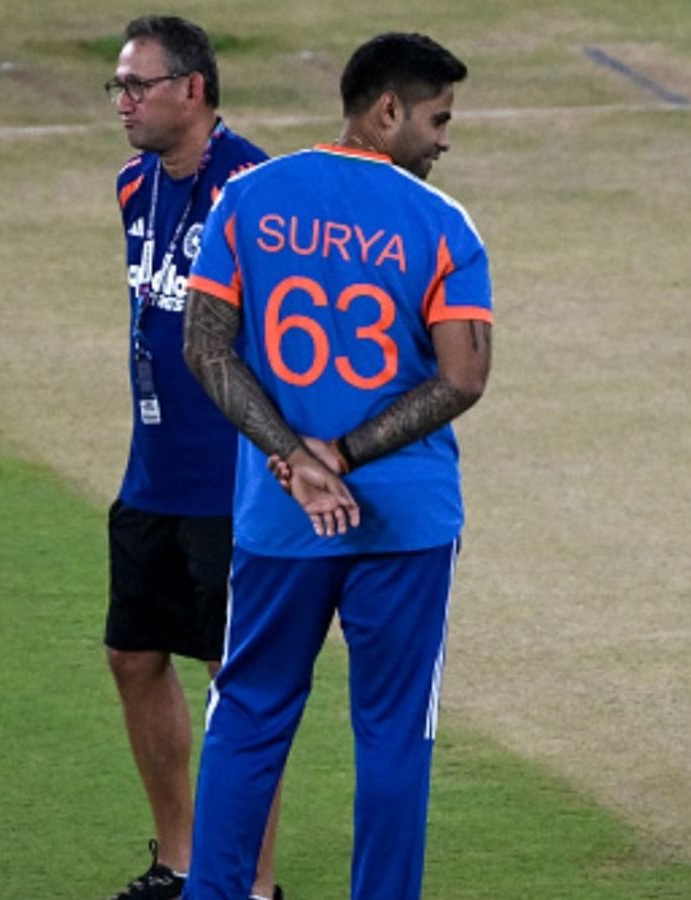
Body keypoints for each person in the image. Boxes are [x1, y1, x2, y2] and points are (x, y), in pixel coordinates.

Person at [181, 31, 493, 900]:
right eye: (437, 119)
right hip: (407, 520)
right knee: (395, 733)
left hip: (281, 520)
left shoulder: (247, 200)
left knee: (246, 717)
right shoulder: (441, 224)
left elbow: (205, 349)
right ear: (387, 110)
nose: (443, 139)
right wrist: (344, 454)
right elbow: (464, 377)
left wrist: (291, 459)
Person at [100, 15, 282, 900]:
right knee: (133, 656)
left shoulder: (255, 191)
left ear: (195, 90)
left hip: (232, 480)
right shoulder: (136, 185)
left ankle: (251, 882)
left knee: (238, 681)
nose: (123, 103)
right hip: (152, 471)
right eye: (119, 87)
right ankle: (181, 862)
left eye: (138, 86)